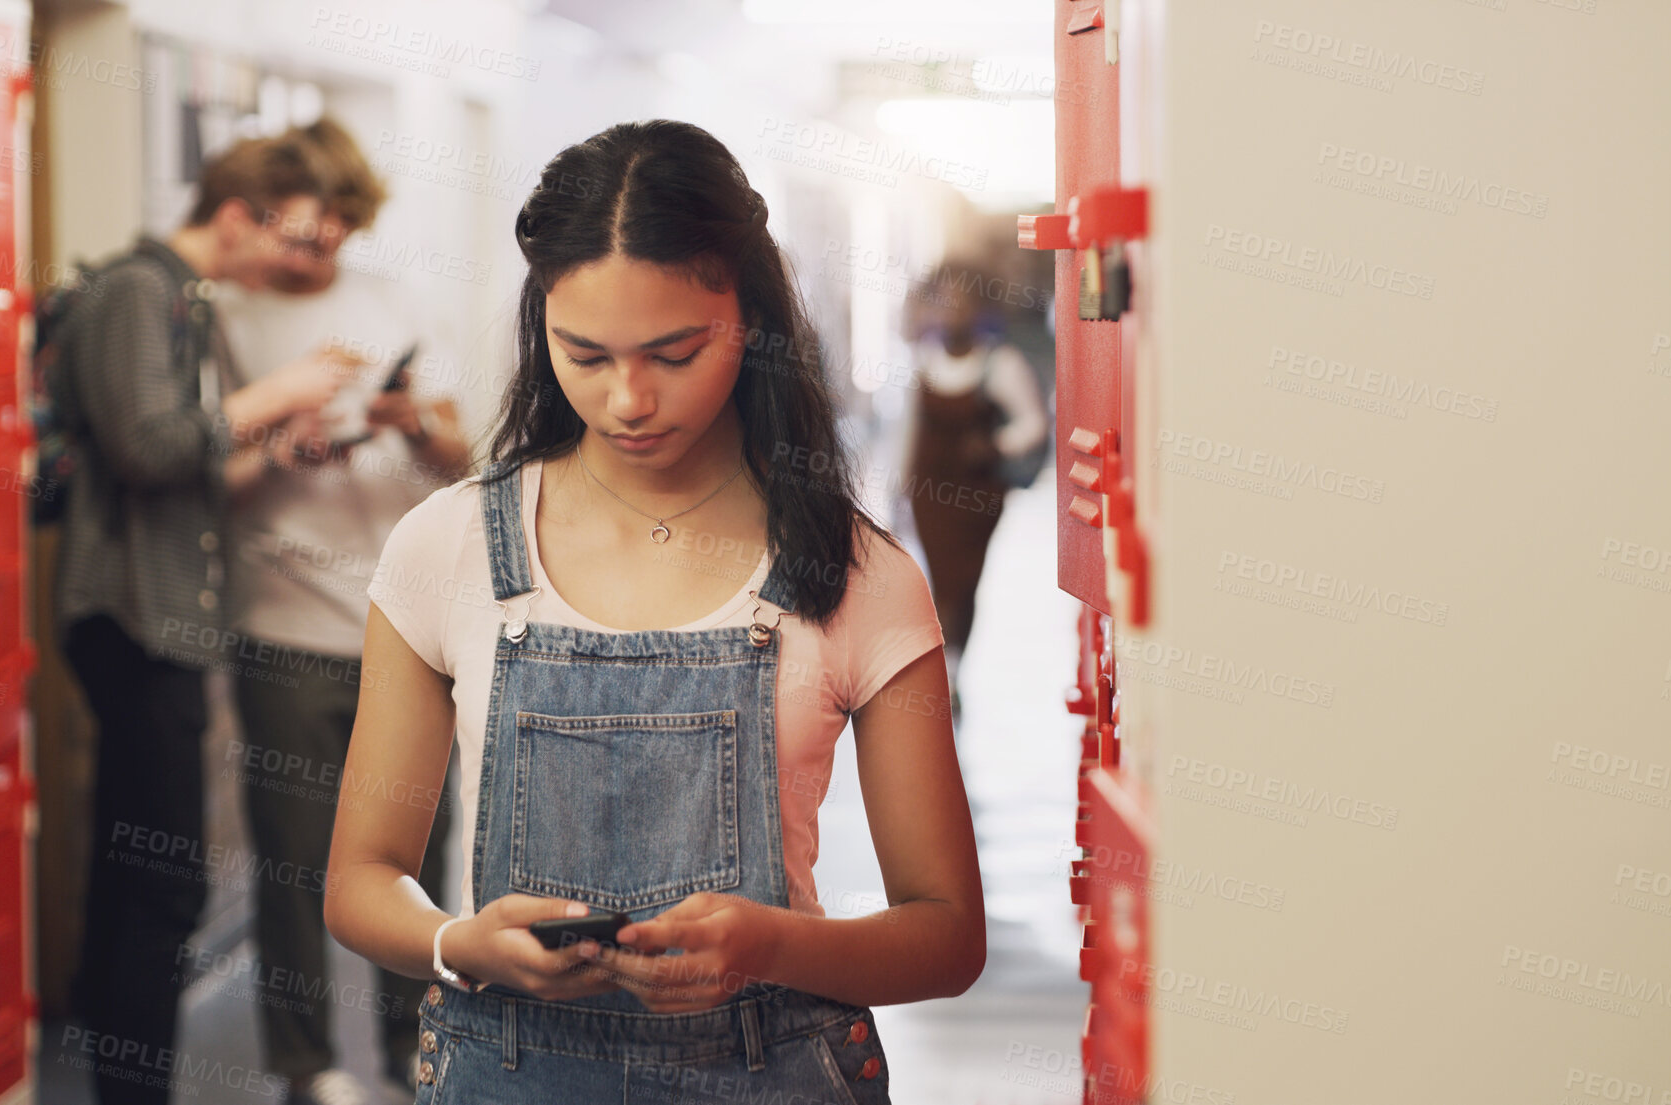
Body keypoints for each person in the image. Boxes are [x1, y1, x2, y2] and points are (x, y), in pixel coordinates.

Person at [325, 120, 985, 1103]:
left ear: (750, 320)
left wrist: (771, 944)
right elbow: (360, 880)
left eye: (674, 352)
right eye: (582, 354)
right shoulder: (447, 545)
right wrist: (459, 940)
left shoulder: (852, 571)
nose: (628, 399)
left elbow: (944, 937)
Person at [54, 134, 365, 1105]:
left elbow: (190, 476)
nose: (294, 258)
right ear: (237, 214)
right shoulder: (138, 292)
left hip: (169, 620)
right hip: (133, 620)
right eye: (287, 233)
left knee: (145, 873)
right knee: (161, 879)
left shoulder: (182, 299)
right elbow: (147, 448)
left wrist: (275, 443)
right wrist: (273, 393)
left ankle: (125, 1085)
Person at [215, 117, 470, 1105]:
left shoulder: (394, 299)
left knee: (417, 848)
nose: (313, 249)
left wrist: (409, 420)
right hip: (279, 623)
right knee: (291, 857)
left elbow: (460, 451)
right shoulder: (230, 314)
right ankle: (304, 1063)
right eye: (294, 231)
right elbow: (197, 473)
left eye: (331, 230)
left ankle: (415, 1046)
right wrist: (284, 431)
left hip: (407, 627)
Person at [899, 259, 1048, 721]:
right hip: (929, 493)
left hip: (977, 497)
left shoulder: (999, 363)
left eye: (959, 300)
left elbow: (1035, 424)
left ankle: (951, 671)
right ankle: (946, 674)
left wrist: (996, 444)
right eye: (940, 299)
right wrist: (896, 491)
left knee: (962, 583)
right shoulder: (921, 362)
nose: (948, 310)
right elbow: (908, 433)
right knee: (940, 582)